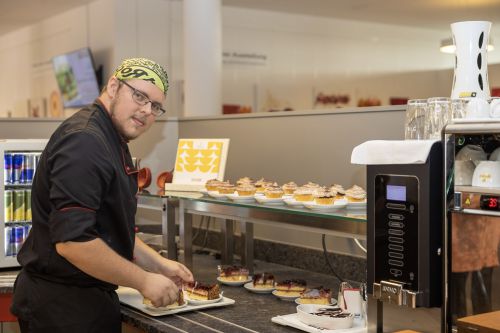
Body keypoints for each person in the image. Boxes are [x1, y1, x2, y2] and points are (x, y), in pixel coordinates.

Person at [11, 58, 193, 333]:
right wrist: (144, 281)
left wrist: (158, 264)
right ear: (113, 86)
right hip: (62, 308)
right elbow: (74, 242)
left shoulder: (110, 137)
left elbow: (105, 227)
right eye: (139, 96)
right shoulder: (85, 141)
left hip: (84, 301)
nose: (146, 110)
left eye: (155, 106)